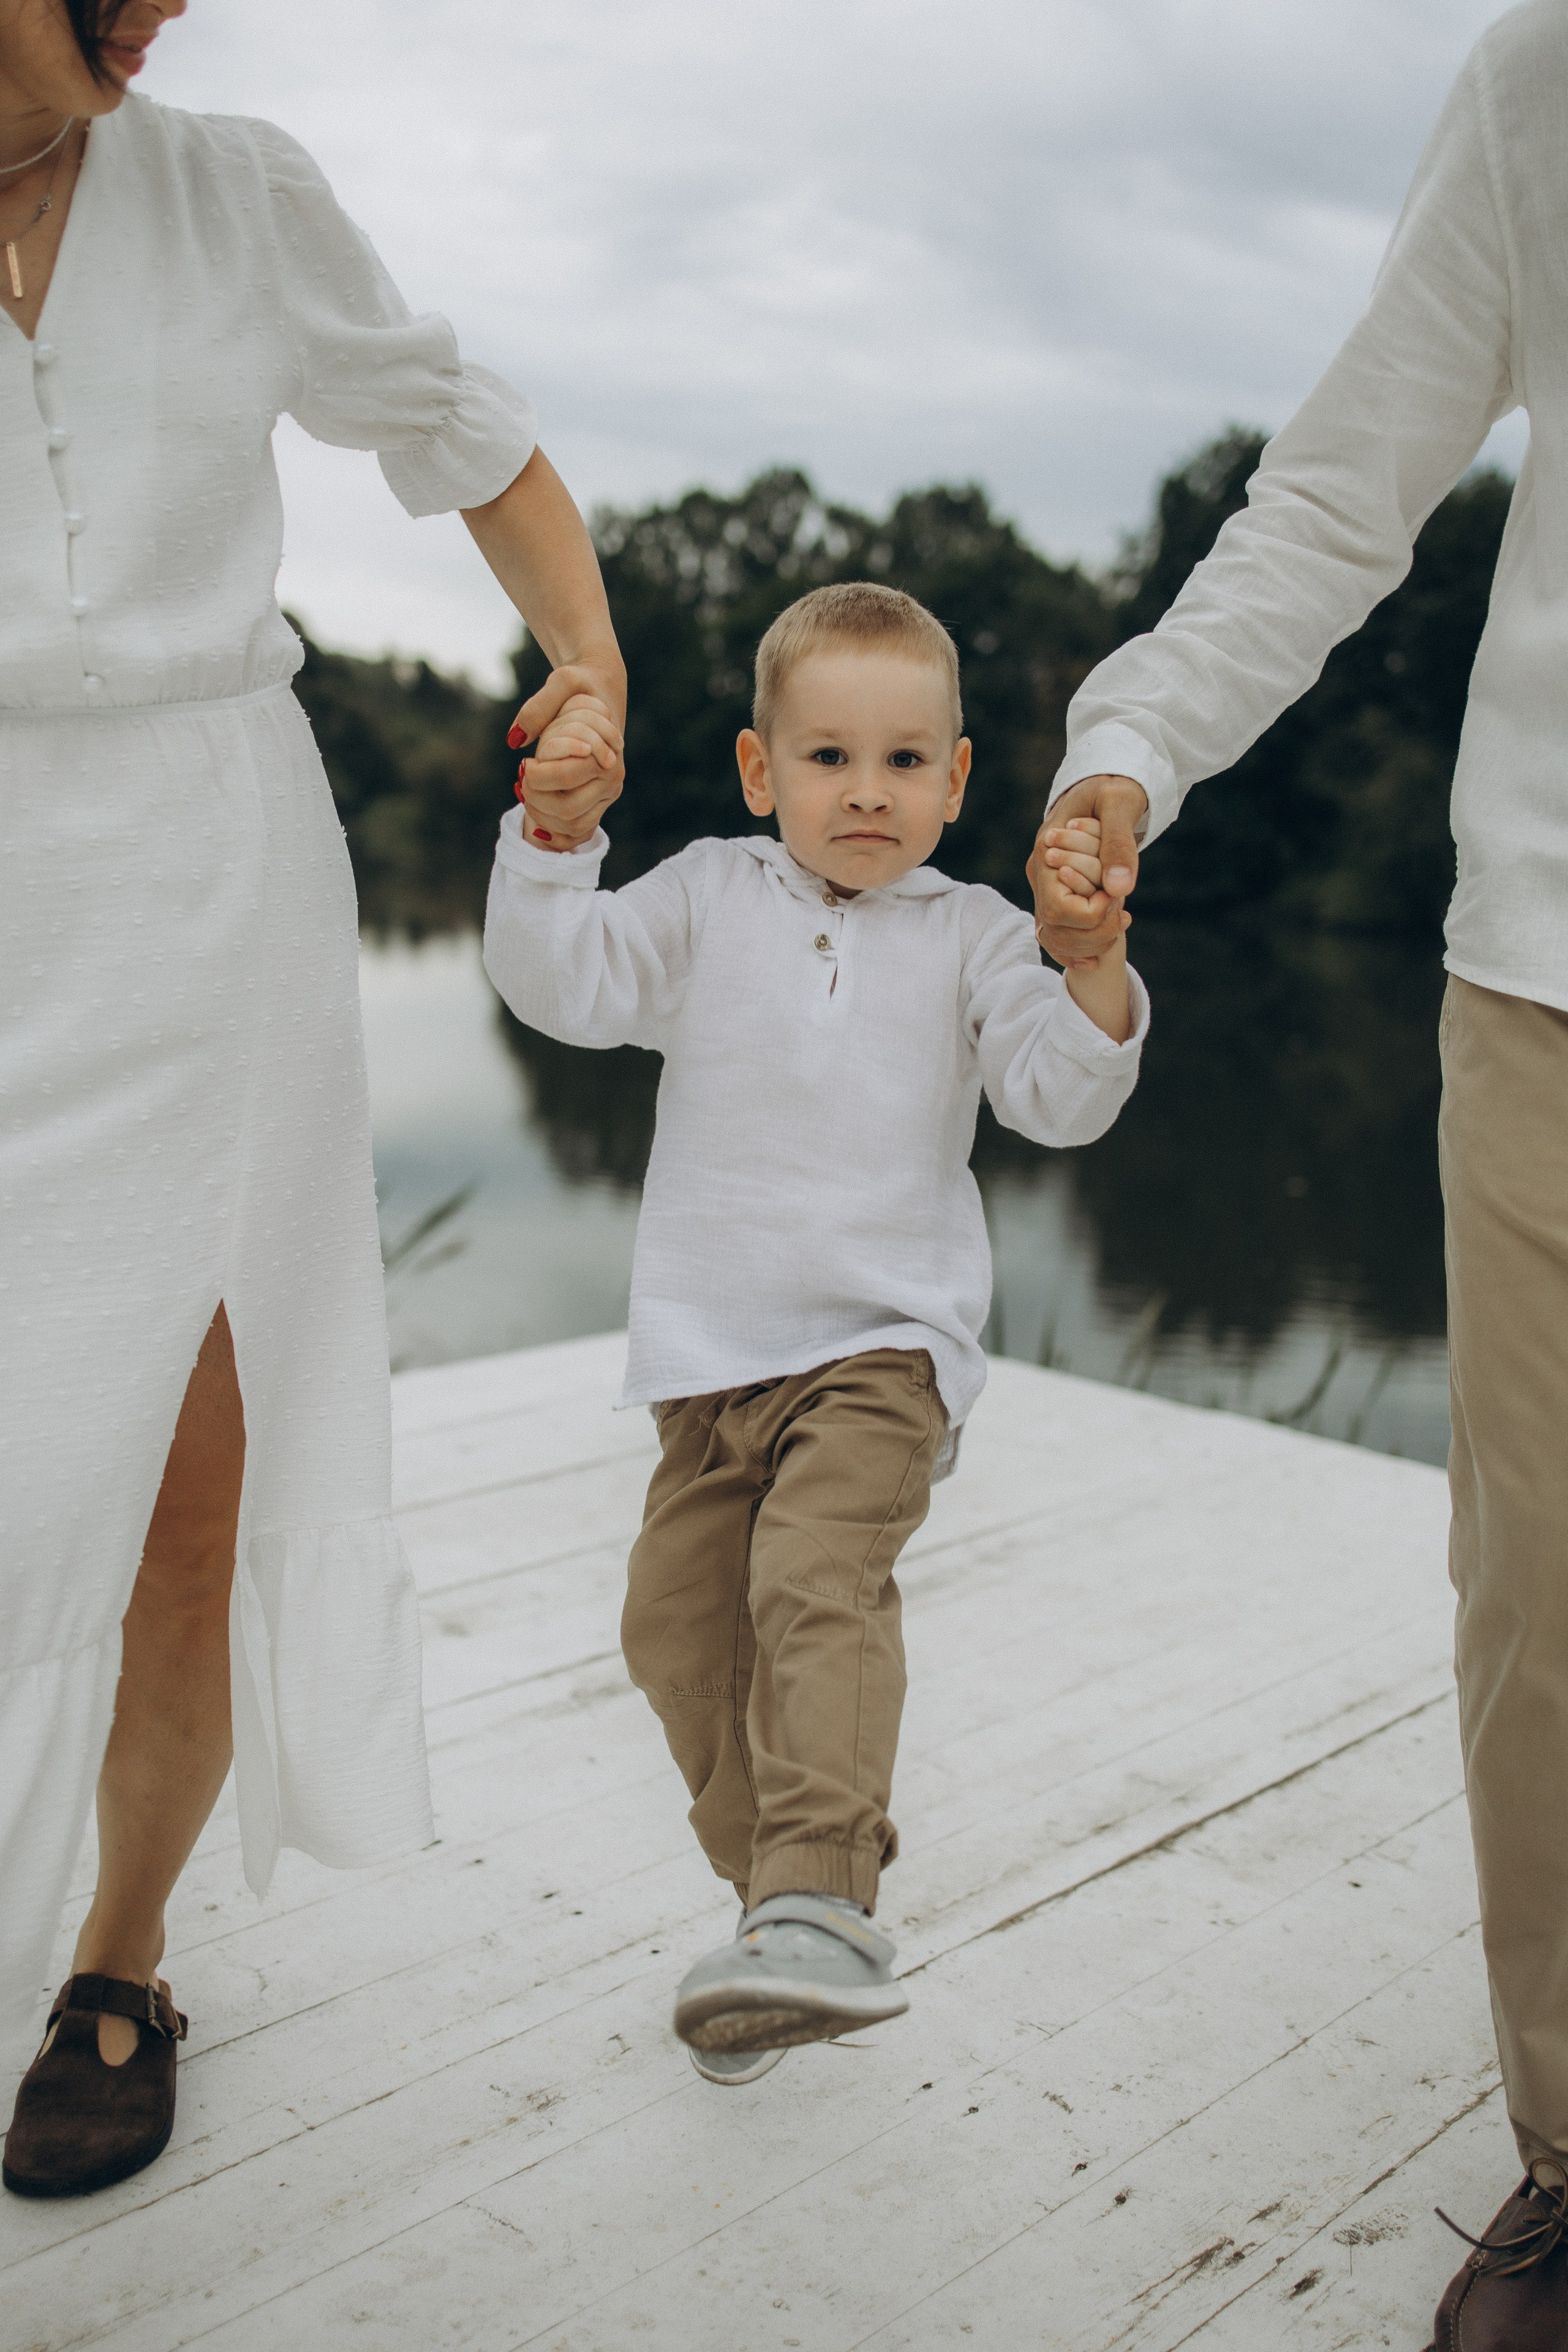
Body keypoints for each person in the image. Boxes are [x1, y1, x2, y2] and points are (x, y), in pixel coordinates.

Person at [0, 0, 625, 2199]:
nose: (178, 3)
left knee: (191, 1492)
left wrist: (592, 663)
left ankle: (121, 1952)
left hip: (214, 880)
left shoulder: (236, 186)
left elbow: (466, 433)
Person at [1029, 4, 1568, 2342]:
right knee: (1543, 1606)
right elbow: (1350, 483)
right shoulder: (1542, 71)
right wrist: (1136, 737)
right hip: (1550, 968)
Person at [483, 581, 1146, 2084]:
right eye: (829, 757)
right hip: (707, 1363)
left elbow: (1061, 1092)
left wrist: (1085, 962)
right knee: (673, 1636)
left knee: (811, 1575)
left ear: (959, 779)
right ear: (757, 770)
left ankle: (819, 1897)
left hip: (881, 1350)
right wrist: (554, 842)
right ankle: (772, 1928)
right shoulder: (708, 897)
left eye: (905, 761)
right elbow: (562, 985)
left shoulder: (975, 935)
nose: (867, 791)